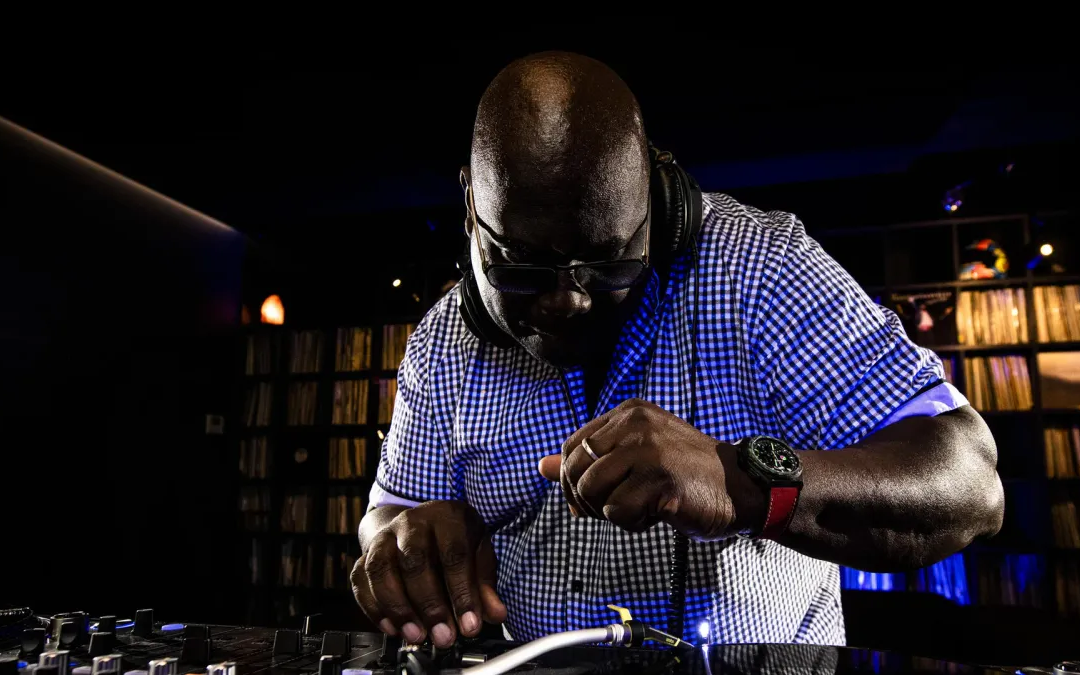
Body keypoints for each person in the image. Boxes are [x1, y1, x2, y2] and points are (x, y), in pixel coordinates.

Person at [350, 51, 1004, 649]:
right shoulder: (441, 342)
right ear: (471, 207)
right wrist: (402, 545)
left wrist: (742, 481)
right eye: (520, 267)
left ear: (658, 208)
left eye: (608, 263)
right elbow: (390, 512)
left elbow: (970, 485)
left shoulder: (761, 271)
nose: (567, 302)